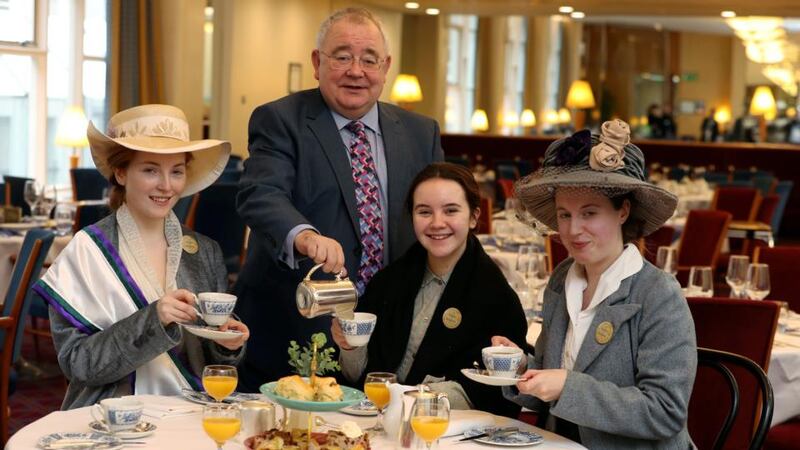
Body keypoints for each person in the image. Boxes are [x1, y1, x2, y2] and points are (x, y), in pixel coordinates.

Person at [234, 7, 443, 389]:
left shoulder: (420, 132)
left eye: (369, 59)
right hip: (294, 327)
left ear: (386, 67)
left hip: (386, 333)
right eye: (342, 56)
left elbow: (439, 214)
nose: (356, 71)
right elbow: (260, 193)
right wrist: (305, 236)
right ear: (317, 62)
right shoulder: (280, 120)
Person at [493, 120, 697, 447]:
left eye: (589, 213)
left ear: (623, 211)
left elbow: (665, 411)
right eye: (564, 215)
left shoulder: (658, 294)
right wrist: (519, 368)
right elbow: (550, 383)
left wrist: (567, 387)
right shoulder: (562, 279)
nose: (573, 230)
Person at [33, 105, 250, 410]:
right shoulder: (87, 250)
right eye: (150, 170)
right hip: (111, 418)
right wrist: (154, 318)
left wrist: (227, 346)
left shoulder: (204, 251)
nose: (166, 185)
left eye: (176, 171)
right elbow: (78, 364)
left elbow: (212, 365)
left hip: (189, 415)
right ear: (120, 172)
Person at [330, 162, 528, 417]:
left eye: (451, 211)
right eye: (424, 212)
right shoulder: (390, 282)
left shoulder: (494, 297)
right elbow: (358, 376)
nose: (437, 223)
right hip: (372, 423)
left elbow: (495, 392)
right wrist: (349, 347)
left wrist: (409, 401)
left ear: (474, 217)